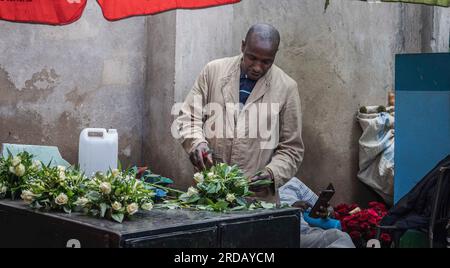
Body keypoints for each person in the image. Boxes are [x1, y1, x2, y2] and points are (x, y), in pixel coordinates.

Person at [177, 23, 304, 203]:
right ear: (243, 46)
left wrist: (272, 173)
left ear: (275, 55)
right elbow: (188, 117)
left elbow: (292, 149)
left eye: (266, 61)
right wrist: (197, 143)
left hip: (257, 199)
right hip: (209, 193)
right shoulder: (213, 71)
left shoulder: (287, 88)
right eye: (252, 58)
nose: (257, 67)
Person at [279, 177, 355, 248]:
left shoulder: (292, 182)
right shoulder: (268, 192)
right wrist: (289, 210)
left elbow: (329, 211)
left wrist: (325, 211)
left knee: (340, 237)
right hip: (283, 237)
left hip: (307, 233)